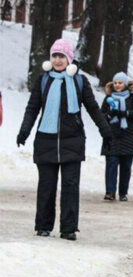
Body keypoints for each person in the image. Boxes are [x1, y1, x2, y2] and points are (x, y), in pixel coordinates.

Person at [17, 38, 112, 240]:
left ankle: (68, 228)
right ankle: (43, 226)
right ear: (51, 59)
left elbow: (93, 108)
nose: (58, 60)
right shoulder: (44, 80)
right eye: (55, 56)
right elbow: (32, 108)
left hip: (73, 140)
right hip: (46, 140)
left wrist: (106, 131)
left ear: (69, 59)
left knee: (70, 186)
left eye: (62, 56)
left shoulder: (79, 81)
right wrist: (24, 131)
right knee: (46, 186)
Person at [100, 72, 133, 202]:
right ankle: (110, 192)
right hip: (112, 136)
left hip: (129, 136)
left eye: (120, 83)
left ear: (125, 83)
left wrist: (124, 113)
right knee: (111, 164)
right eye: (115, 83)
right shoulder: (108, 98)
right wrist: (109, 114)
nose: (117, 85)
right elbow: (101, 115)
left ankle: (123, 193)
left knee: (126, 166)